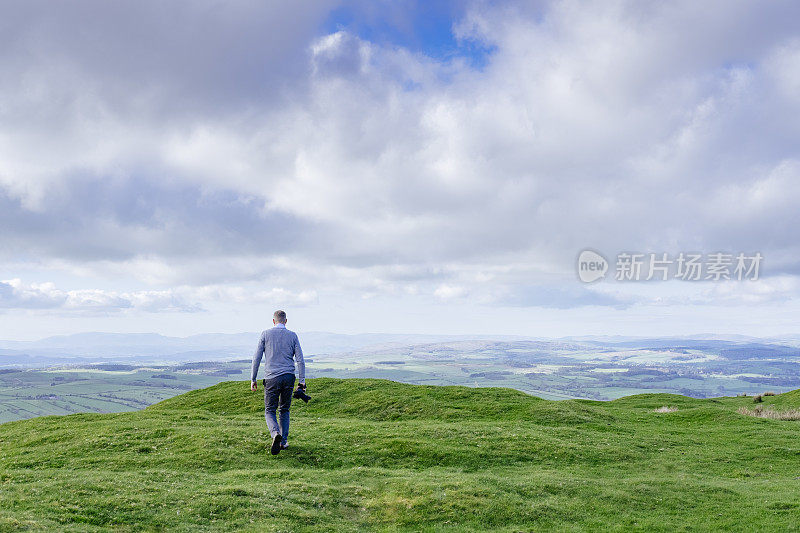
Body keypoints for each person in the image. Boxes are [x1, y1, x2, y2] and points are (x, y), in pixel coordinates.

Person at [250, 310, 306, 455]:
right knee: (284, 410)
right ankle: (283, 442)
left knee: (269, 410)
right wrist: (302, 381)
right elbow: (300, 360)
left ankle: (275, 434)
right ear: (286, 321)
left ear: (273, 321)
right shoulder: (292, 335)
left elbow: (256, 358)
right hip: (288, 377)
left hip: (271, 377)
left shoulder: (265, 334)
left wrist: (253, 378)